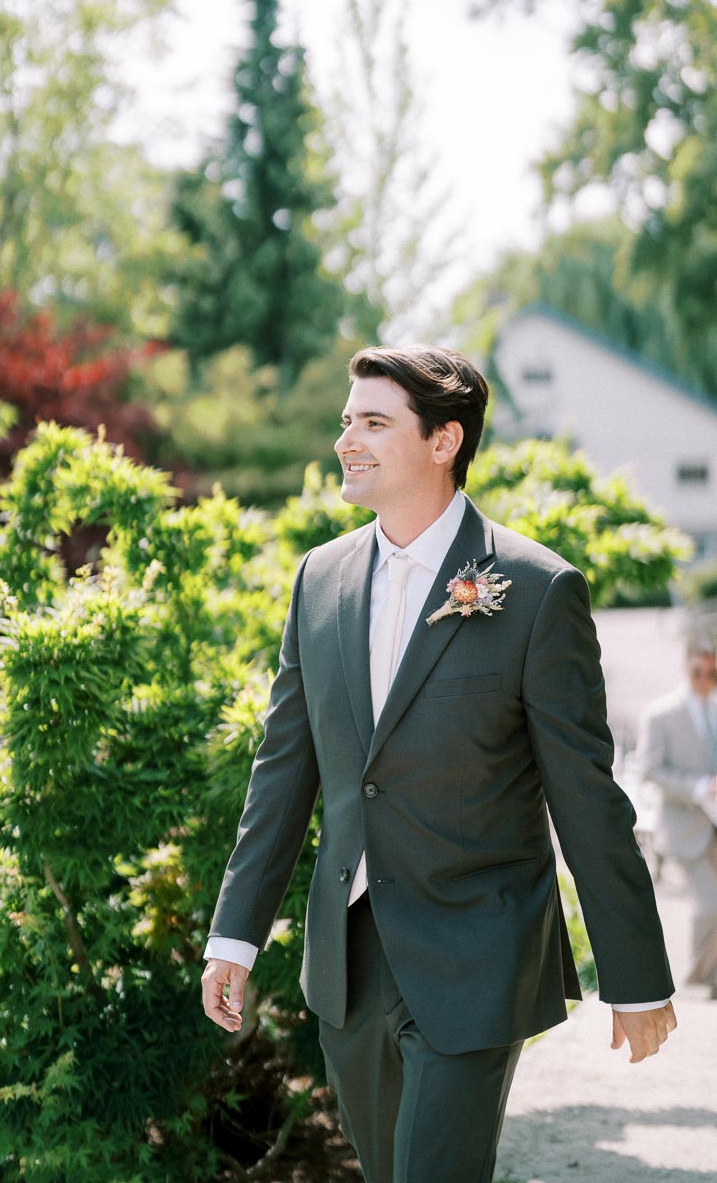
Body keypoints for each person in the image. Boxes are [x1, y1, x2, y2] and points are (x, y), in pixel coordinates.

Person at [201, 345, 676, 1183]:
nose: (346, 440)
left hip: (477, 957)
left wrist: (634, 977)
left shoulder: (536, 589)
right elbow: (282, 772)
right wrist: (234, 935)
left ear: (444, 440)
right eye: (346, 420)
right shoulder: (319, 580)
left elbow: (585, 796)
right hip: (348, 964)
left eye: (373, 422)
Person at [637, 640, 717, 997]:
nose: (706, 680)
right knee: (710, 903)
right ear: (686, 669)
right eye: (699, 672)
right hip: (684, 828)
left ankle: (710, 980)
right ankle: (695, 979)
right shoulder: (661, 713)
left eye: (713, 673)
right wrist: (698, 786)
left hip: (714, 826)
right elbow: (649, 770)